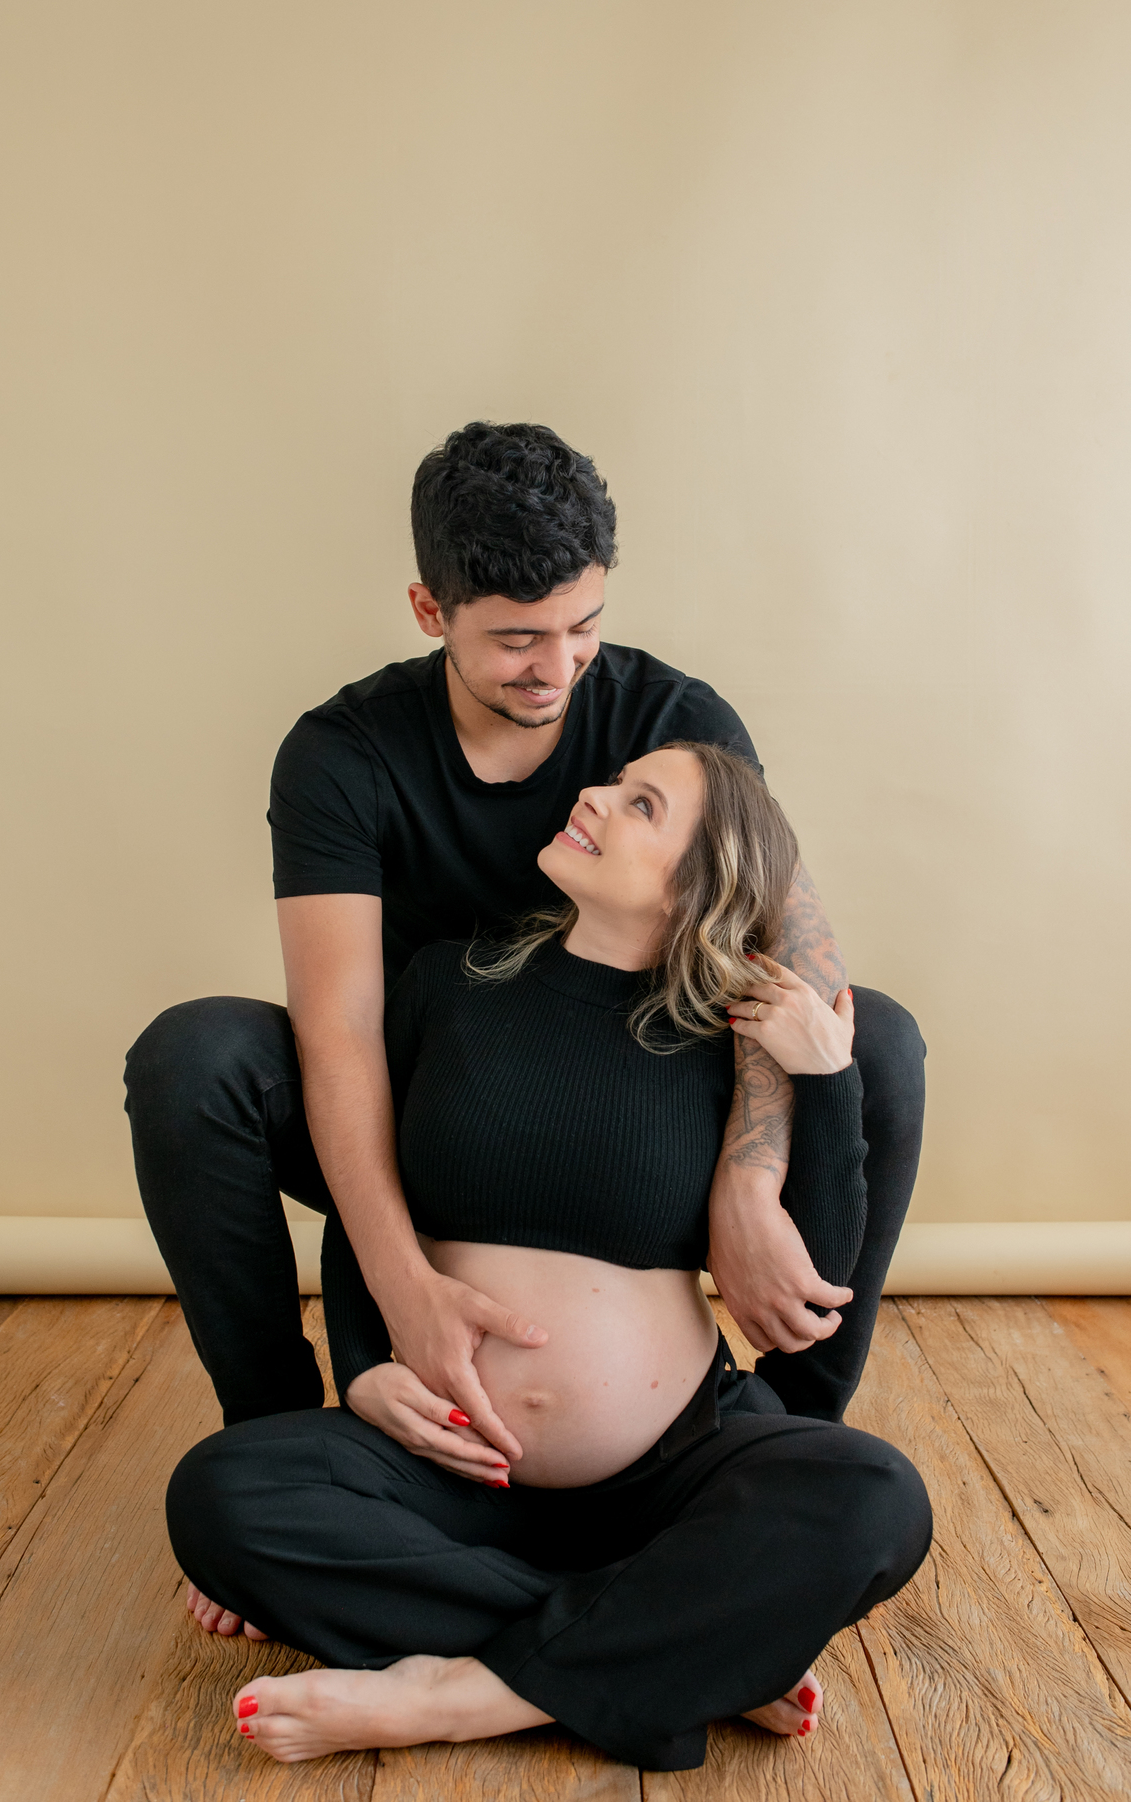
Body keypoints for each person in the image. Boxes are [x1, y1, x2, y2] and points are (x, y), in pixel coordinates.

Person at [124, 421, 927, 1481]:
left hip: (642, 1097)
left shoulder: (677, 721)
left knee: (878, 1044)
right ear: (431, 611)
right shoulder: (340, 755)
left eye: (582, 625)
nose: (558, 667)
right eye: (516, 639)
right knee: (193, 1058)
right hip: (440, 1107)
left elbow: (794, 956)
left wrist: (748, 1178)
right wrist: (403, 1288)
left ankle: (790, 1439)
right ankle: (281, 1436)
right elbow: (341, 1029)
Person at [166, 743, 932, 1771]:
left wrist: (826, 1076)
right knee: (219, 1496)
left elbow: (815, 1294)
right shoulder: (449, 982)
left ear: (695, 883)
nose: (595, 798)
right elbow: (369, 1195)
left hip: (670, 1468)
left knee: (878, 1494)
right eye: (613, 784)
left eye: (642, 805)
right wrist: (363, 1367)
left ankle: (454, 1694)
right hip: (450, 1462)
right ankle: (679, 1647)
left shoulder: (726, 1038)